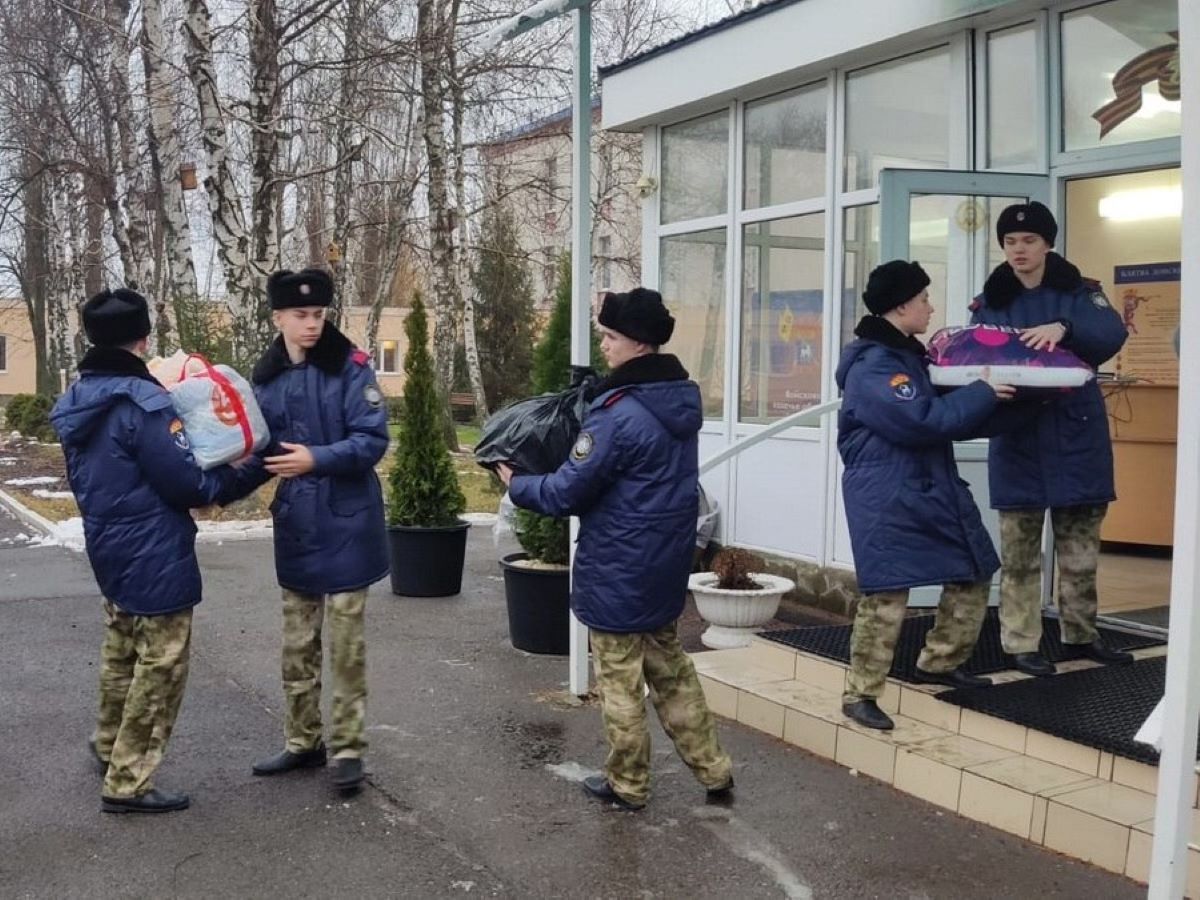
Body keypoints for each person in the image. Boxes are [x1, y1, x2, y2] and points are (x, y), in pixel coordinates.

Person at [497, 287, 733, 811]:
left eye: (610, 337)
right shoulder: (677, 400)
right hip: (663, 562)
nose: (603, 345)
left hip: (617, 566)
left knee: (620, 681)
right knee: (671, 670)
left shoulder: (617, 414)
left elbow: (566, 491)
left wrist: (517, 483)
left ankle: (628, 783)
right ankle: (715, 769)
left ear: (639, 343)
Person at [50, 288, 256, 813]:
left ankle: (107, 744)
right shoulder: (143, 404)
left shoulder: (79, 400)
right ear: (143, 339)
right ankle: (129, 780)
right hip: (155, 548)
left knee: (121, 651)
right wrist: (248, 471)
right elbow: (189, 484)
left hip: (108, 543)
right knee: (161, 666)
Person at [837, 261, 1016, 731]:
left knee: (974, 570)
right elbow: (921, 420)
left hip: (928, 487)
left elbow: (944, 415)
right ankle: (860, 693)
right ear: (901, 307)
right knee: (888, 593)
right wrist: (982, 393)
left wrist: (1011, 401)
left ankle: (940, 662)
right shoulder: (875, 366)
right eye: (923, 299)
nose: (930, 308)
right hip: (889, 495)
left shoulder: (907, 358)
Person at [971, 201, 1131, 677]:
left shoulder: (1081, 292)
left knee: (1080, 554)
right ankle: (1020, 642)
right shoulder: (990, 301)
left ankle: (1082, 634)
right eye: (1010, 241)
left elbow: (1111, 332)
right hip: (1018, 439)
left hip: (1076, 436)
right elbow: (976, 356)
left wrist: (1065, 328)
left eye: (1029, 240)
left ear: (1048, 244)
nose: (1018, 249)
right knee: (1019, 557)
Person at [245, 268, 389, 793]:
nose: (311, 324)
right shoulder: (266, 379)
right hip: (298, 523)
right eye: (300, 315)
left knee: (346, 646)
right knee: (297, 644)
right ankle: (302, 741)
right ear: (278, 318)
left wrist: (316, 458)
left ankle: (348, 749)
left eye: (319, 314)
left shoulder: (350, 369)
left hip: (348, 520)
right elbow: (258, 452)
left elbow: (372, 439)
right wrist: (210, 489)